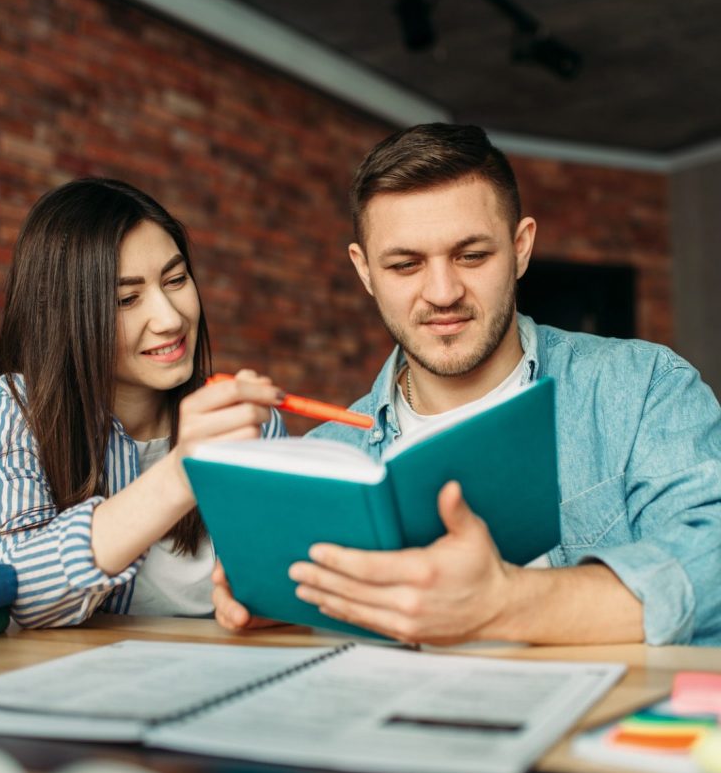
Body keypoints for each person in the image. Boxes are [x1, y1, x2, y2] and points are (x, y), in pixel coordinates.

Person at [212, 123, 721, 646]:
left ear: (521, 247)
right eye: (405, 264)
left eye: (471, 256)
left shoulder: (641, 389)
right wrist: (288, 603)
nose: (442, 292)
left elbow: (712, 561)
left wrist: (503, 605)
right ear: (365, 272)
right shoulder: (330, 458)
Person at [0, 178, 285, 628]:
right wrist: (180, 474)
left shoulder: (241, 418)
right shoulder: (19, 407)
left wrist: (273, 602)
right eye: (126, 299)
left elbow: (276, 584)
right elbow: (20, 593)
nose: (169, 318)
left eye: (176, 280)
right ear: (65, 314)